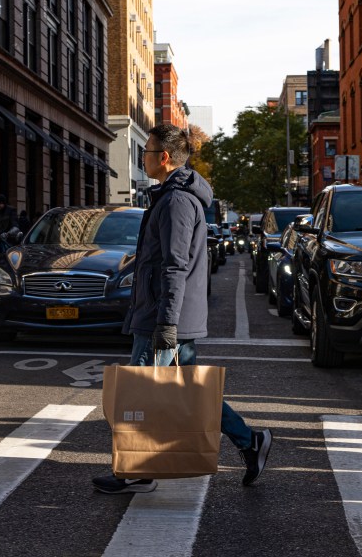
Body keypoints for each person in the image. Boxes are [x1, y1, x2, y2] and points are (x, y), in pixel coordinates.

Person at [92, 124, 272, 494]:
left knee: (139, 391)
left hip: (163, 315)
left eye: (147, 152)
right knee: (188, 393)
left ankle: (135, 469)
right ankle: (249, 442)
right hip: (166, 312)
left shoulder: (176, 201)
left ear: (163, 157)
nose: (142, 159)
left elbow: (174, 265)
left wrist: (166, 323)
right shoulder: (172, 196)